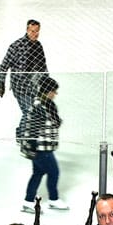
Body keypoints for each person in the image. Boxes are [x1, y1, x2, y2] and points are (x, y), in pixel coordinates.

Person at [21, 76, 70, 213]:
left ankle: (28, 201)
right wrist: (31, 148)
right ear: (47, 91)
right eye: (54, 91)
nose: (56, 94)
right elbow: (32, 128)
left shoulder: (49, 105)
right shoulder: (39, 107)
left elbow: (56, 122)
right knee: (54, 172)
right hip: (40, 149)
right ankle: (53, 200)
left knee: (38, 173)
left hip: (44, 147)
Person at [0, 19, 49, 143]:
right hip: (20, 87)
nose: (35, 34)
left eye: (37, 31)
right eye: (32, 31)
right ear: (27, 30)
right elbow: (4, 66)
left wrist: (47, 83)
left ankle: (23, 133)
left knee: (36, 112)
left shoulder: (38, 46)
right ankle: (22, 138)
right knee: (29, 111)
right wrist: (1, 84)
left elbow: (43, 67)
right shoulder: (16, 46)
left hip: (33, 87)